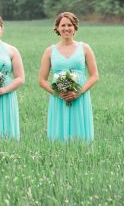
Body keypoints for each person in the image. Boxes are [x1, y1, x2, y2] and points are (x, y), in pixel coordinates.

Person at [39, 11, 99, 142]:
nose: (66, 28)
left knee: (80, 135)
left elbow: (94, 76)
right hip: (58, 98)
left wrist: (78, 92)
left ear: (75, 27)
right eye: (63, 25)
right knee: (58, 135)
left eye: (70, 25)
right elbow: (42, 80)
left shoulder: (85, 48)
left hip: (80, 97)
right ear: (57, 28)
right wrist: (57, 93)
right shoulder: (50, 51)